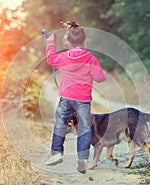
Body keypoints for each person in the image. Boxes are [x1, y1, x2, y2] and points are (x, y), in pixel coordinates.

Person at [45, 21, 106, 174]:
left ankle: (56, 153)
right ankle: (82, 159)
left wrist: (50, 42)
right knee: (85, 128)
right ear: (85, 42)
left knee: (60, 123)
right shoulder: (90, 59)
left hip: (66, 98)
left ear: (67, 42)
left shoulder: (64, 57)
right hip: (83, 100)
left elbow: (51, 59)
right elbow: (100, 77)